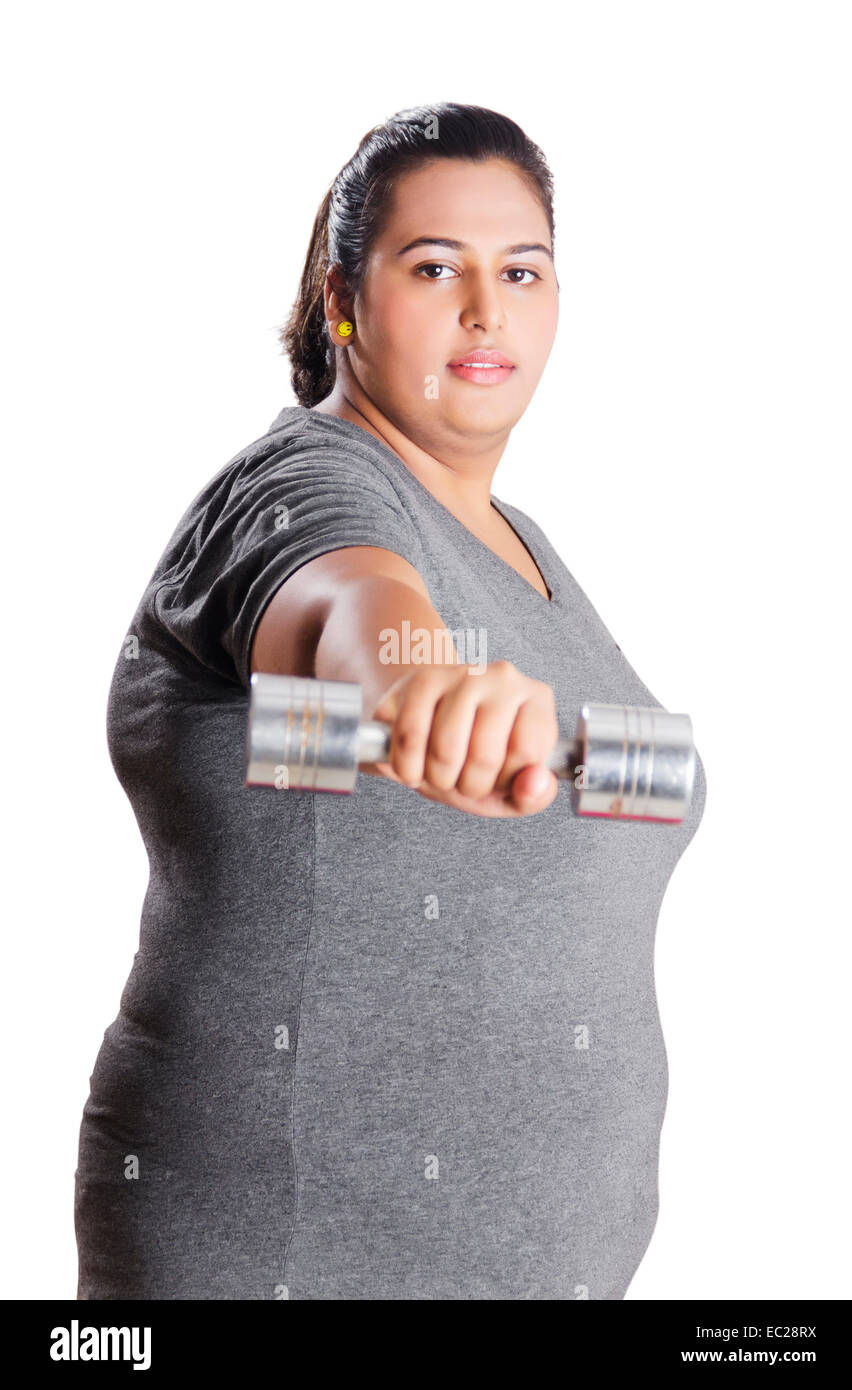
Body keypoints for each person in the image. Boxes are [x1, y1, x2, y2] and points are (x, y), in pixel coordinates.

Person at [74, 102, 706, 1300]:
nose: (486, 309)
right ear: (340, 299)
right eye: (433, 267)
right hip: (290, 1253)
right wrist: (416, 681)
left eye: (521, 270)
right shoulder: (303, 486)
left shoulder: (522, 549)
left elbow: (590, 784)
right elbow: (349, 610)